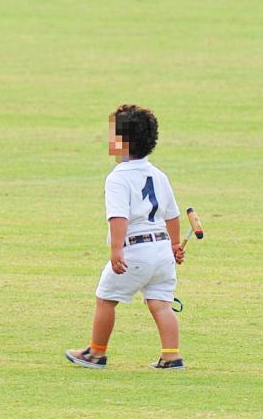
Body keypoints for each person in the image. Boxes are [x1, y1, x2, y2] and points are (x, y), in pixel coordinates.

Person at [65, 104, 186, 370]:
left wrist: (116, 250)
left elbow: (119, 217)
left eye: (112, 134)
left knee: (106, 299)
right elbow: (172, 215)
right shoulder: (159, 175)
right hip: (162, 250)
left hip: (135, 250)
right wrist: (175, 245)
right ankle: (171, 355)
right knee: (160, 303)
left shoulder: (118, 178)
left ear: (123, 142)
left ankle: (96, 353)